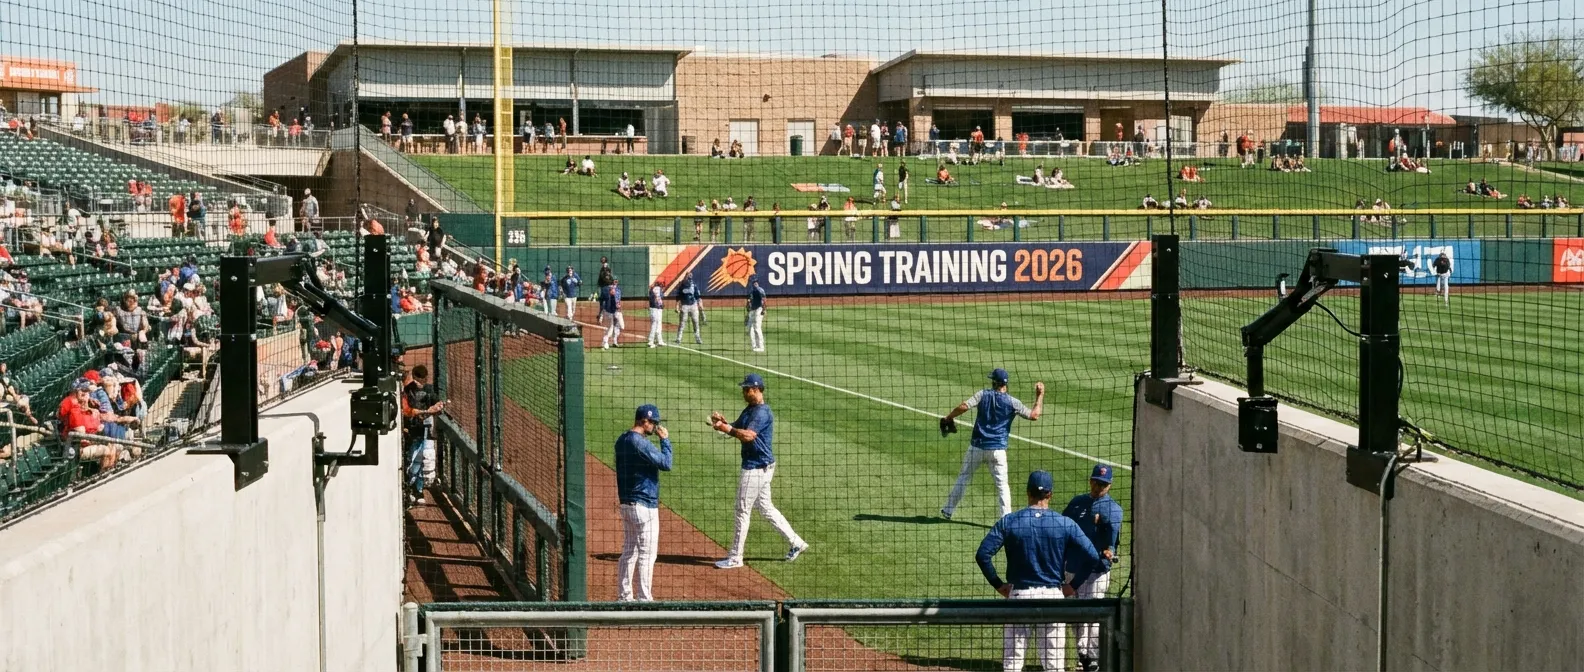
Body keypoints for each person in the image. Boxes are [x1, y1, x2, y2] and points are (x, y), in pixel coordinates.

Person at [975, 470, 1102, 672]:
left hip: (1019, 596)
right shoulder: (1065, 523)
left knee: (1012, 663)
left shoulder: (1010, 521)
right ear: (1050, 495)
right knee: (1053, 665)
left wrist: (999, 585)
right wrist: (1072, 586)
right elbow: (1093, 557)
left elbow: (983, 555)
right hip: (1053, 597)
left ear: (1028, 492)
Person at [710, 373, 808, 569]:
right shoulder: (750, 409)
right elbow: (737, 428)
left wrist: (726, 429)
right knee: (765, 508)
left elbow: (747, 436)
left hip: (756, 468)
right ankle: (797, 543)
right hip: (762, 467)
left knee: (741, 510)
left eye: (746, 389)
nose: (743, 392)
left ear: (756, 390)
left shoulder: (762, 412)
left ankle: (735, 558)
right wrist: (723, 423)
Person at [940, 368, 1046, 520]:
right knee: (1002, 486)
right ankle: (1005, 518)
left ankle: (948, 510)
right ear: (1005, 384)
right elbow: (1034, 415)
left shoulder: (982, 394)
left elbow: (964, 405)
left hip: (977, 447)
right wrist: (1039, 396)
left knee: (963, 478)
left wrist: (949, 417)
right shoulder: (1012, 402)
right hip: (998, 450)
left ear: (994, 382)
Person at [1062, 464, 1125, 671]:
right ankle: (1083, 656)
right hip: (1072, 567)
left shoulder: (1113, 510)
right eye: (1097, 482)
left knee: (1093, 618)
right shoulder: (1077, 503)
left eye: (1104, 484)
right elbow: (1061, 528)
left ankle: (1094, 660)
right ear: (1090, 481)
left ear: (1110, 485)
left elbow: (1111, 543)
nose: (1099, 487)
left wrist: (1108, 547)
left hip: (1096, 572)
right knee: (1075, 617)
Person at [615, 404, 673, 601]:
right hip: (644, 506)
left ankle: (624, 597)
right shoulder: (639, 442)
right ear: (644, 420)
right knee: (647, 555)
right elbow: (666, 463)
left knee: (629, 552)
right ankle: (644, 599)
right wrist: (665, 441)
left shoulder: (622, 440)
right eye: (654, 422)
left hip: (626, 504)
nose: (655, 426)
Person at [402, 366, 446, 506]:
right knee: (412, 460)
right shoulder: (407, 391)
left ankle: (418, 490)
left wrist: (439, 406)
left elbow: (435, 401)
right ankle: (409, 488)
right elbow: (407, 411)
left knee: (423, 459)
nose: (421, 381)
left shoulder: (428, 389)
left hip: (425, 430)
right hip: (411, 429)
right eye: (419, 378)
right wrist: (428, 411)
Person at [676, 272, 704, 345]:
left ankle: (697, 338)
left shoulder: (694, 285)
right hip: (684, 305)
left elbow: (697, 296)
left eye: (690, 277)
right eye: (688, 276)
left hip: (693, 305)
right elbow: (678, 296)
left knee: (696, 322)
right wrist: (677, 306)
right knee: (682, 322)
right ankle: (679, 338)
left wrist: (700, 303)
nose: (690, 278)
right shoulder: (682, 285)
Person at [600, 278, 624, 350]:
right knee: (610, 328)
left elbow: (619, 300)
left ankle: (612, 340)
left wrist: (619, 306)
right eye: (614, 281)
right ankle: (608, 341)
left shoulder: (619, 290)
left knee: (622, 326)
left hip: (618, 311)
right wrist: (601, 314)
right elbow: (603, 303)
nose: (615, 282)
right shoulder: (607, 291)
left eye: (616, 281)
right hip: (610, 312)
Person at [746, 274, 767, 352]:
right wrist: (748, 313)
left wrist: (764, 310)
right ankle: (754, 346)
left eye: (755, 282)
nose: (754, 283)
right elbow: (748, 302)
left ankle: (761, 347)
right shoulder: (750, 290)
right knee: (750, 328)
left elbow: (764, 300)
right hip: (752, 310)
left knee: (757, 327)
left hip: (759, 309)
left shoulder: (760, 290)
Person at [645, 280, 667, 347]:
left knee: (658, 324)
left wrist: (661, 304)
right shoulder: (658, 289)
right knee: (655, 324)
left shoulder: (652, 289)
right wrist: (661, 304)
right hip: (655, 309)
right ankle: (650, 341)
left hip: (656, 309)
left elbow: (657, 299)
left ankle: (659, 341)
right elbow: (660, 297)